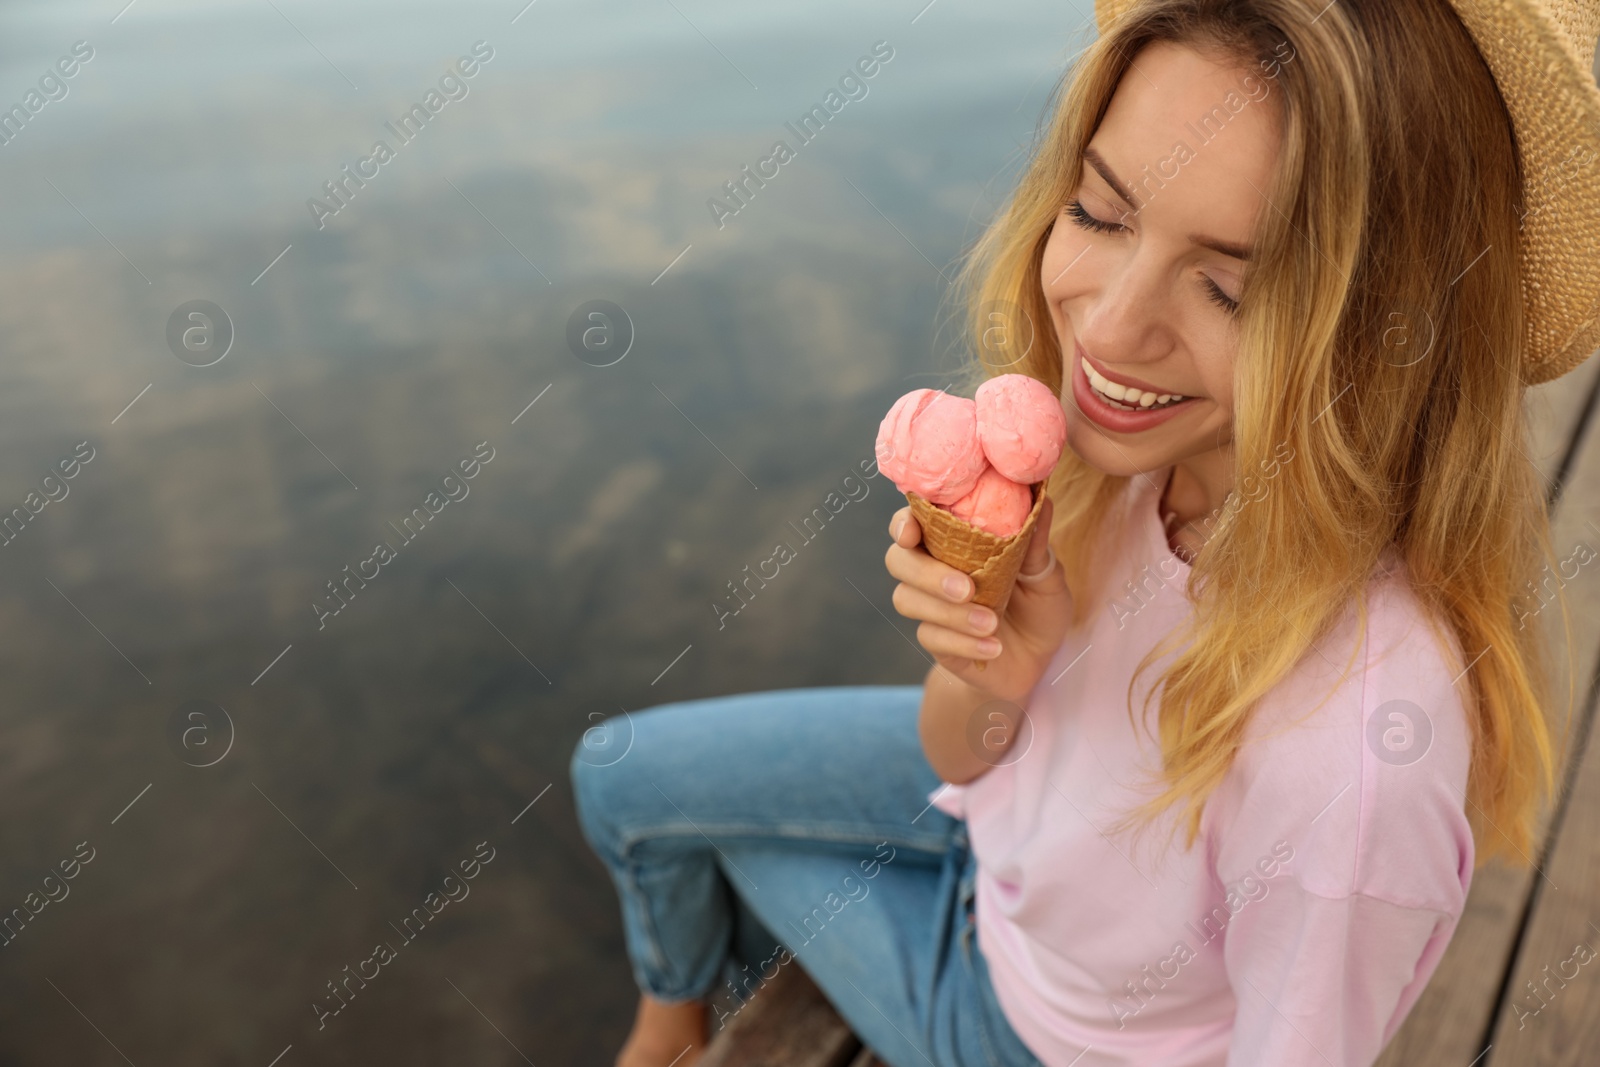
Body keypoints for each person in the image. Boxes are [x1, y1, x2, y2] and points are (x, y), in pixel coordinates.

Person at [571, 0, 1600, 1063]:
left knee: (701, 845)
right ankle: (668, 1027)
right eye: (1102, 215)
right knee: (621, 772)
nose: (1106, 331)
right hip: (999, 837)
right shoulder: (1117, 460)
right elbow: (957, 758)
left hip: (1027, 1024)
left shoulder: (1350, 761)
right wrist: (988, 666)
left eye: (1229, 289)